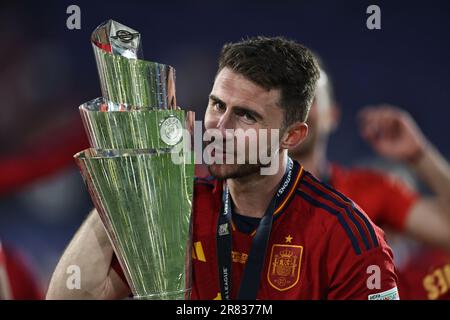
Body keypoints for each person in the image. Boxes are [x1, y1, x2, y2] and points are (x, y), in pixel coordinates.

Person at [47, 37, 399, 300]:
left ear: (292, 135)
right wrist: (126, 184)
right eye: (217, 105)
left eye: (246, 115)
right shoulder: (180, 208)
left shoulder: (347, 237)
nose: (219, 128)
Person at [289, 66, 450, 251]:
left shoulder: (371, 190)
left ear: (332, 116)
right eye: (287, 100)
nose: (297, 110)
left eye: (309, 98)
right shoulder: (249, 190)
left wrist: (419, 154)